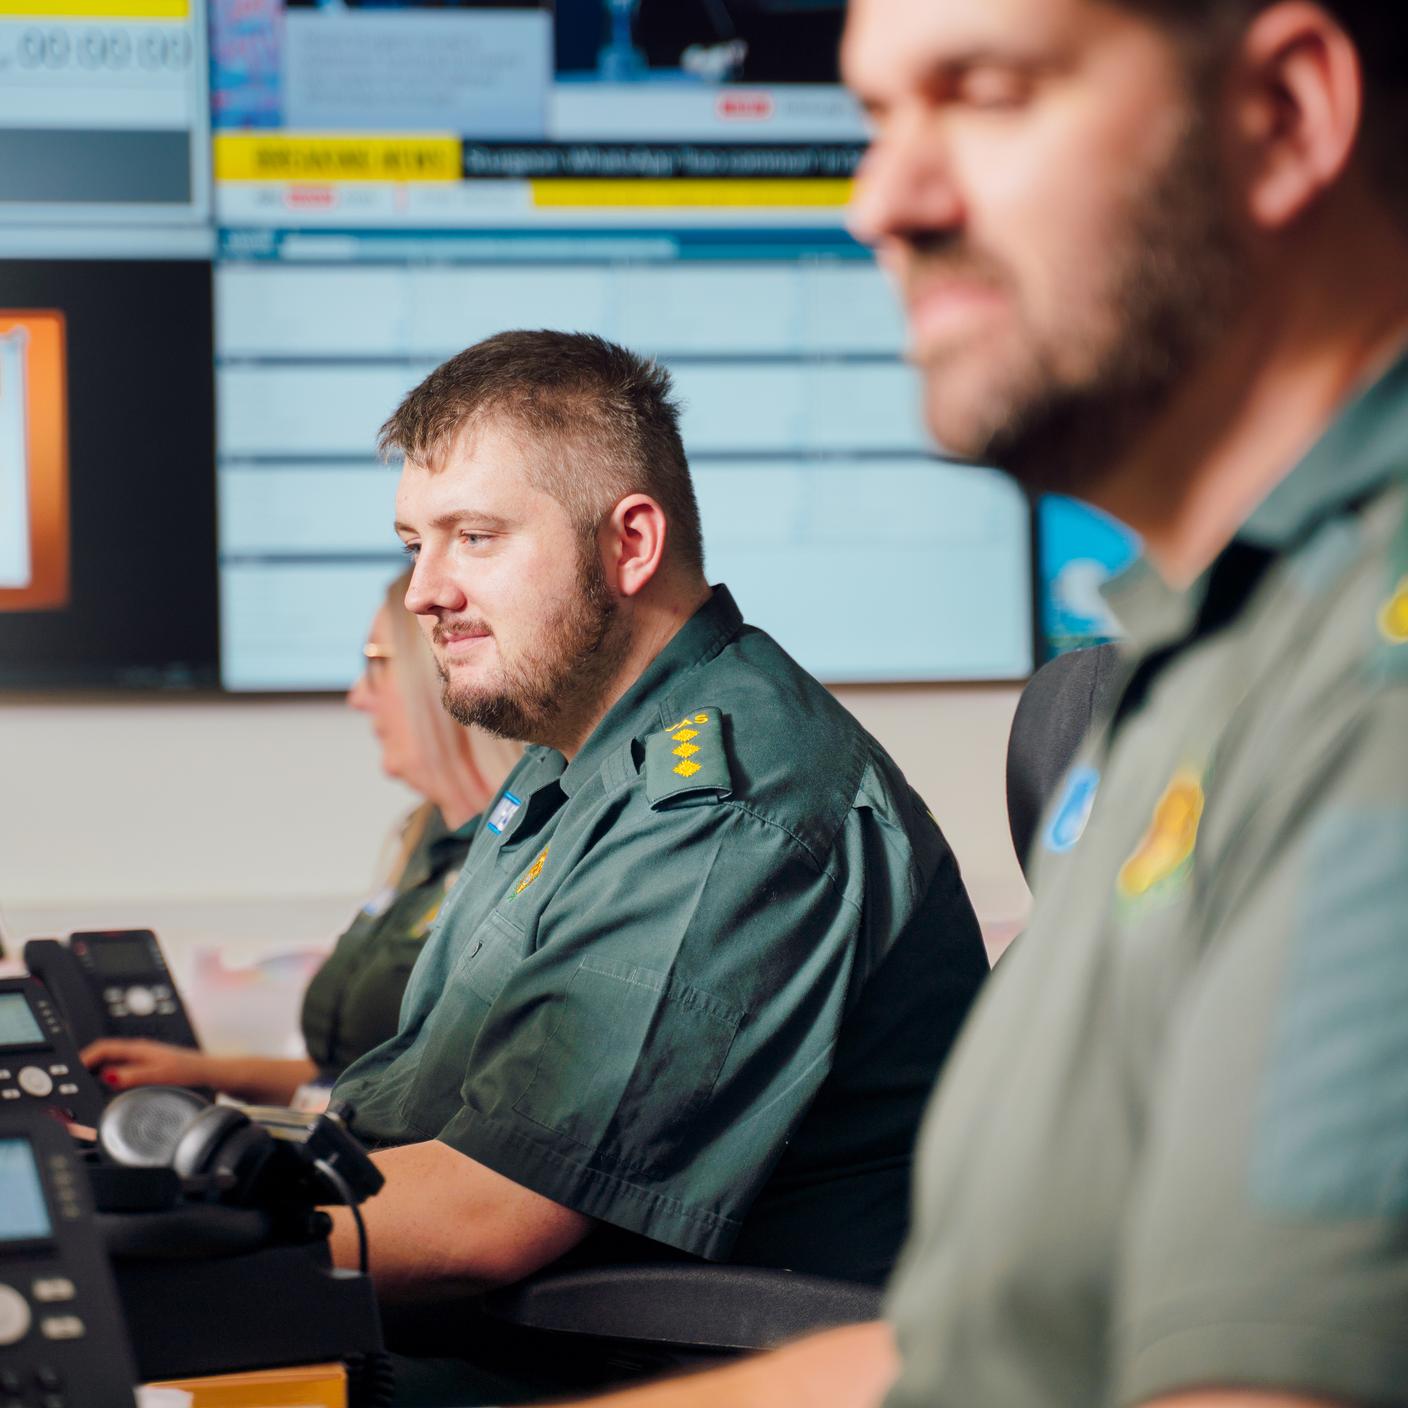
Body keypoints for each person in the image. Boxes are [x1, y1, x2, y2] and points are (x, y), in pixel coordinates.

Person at [533, 0, 1408, 1405]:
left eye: (987, 94)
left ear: (1286, 116)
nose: (883, 202)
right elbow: (969, 1357)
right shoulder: (1203, 663)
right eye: (880, 117)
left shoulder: (1372, 688)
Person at [322, 329, 988, 1399]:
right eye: (415, 544)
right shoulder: (571, 774)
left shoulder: (736, 801)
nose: (423, 592)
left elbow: (490, 1214)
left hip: (620, 1368)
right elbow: (423, 1112)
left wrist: (168, 1247)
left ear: (629, 544)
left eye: (473, 537)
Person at [80, 571, 520, 1105]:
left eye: (375, 664)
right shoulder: (419, 837)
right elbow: (345, 1077)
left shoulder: (523, 852)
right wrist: (203, 1071)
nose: (358, 697)